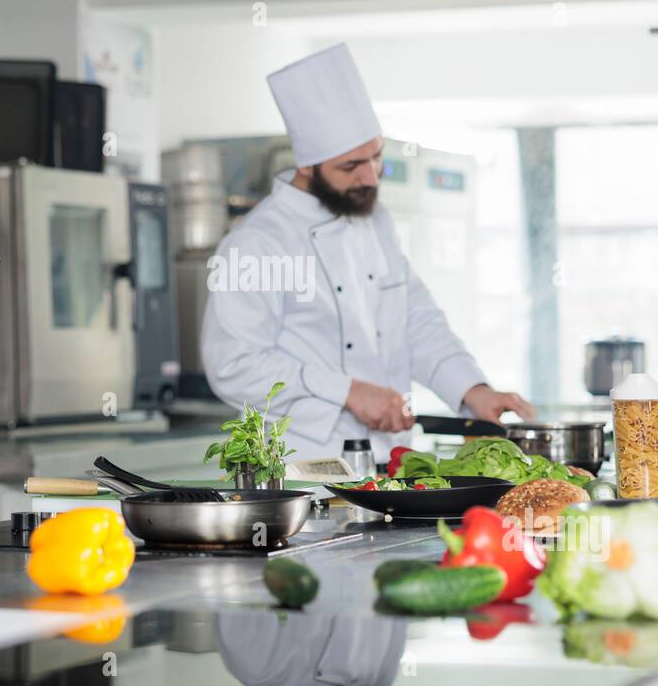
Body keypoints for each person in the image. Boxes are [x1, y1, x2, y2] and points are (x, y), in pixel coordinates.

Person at [201, 43, 533, 462]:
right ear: (308, 165)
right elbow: (233, 364)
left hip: (391, 459)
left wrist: (472, 390)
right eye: (351, 166)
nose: (371, 177)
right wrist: (348, 392)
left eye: (376, 157)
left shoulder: (373, 222)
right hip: (304, 470)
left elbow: (417, 322)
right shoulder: (256, 245)